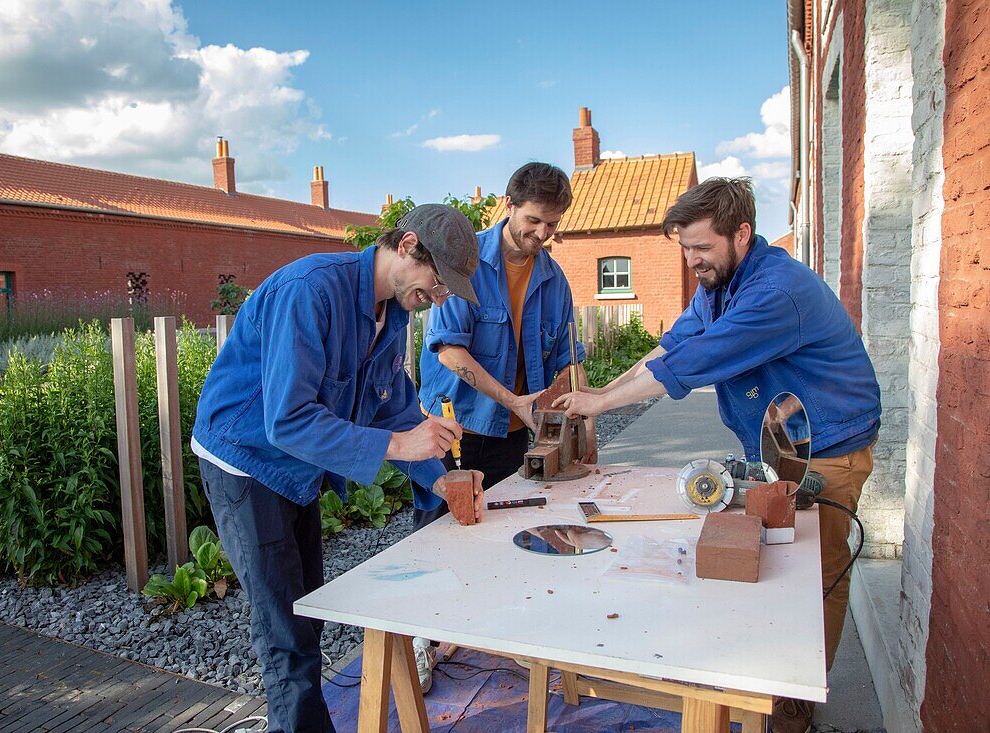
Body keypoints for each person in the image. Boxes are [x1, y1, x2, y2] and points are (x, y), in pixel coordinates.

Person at [554, 177, 880, 733]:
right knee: (776, 565)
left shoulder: (776, 293)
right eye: (684, 249)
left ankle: (796, 704)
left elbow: (694, 362)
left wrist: (603, 402)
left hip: (826, 452)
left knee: (814, 578)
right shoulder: (718, 285)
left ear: (743, 234)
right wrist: (600, 395)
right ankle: (772, 678)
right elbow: (670, 347)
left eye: (701, 247)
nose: (692, 260)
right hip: (782, 447)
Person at [192, 204, 486, 733]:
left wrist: (440, 477)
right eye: (438, 282)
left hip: (296, 464)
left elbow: (394, 405)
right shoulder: (309, 290)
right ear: (407, 246)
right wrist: (398, 444)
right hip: (246, 460)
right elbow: (288, 421)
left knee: (307, 610)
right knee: (285, 632)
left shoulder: (391, 316)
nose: (437, 299)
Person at [412, 162, 596, 690]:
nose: (542, 234)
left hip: (520, 428)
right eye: (534, 220)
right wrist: (515, 401)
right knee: (441, 536)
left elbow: (566, 359)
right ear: (508, 204)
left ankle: (510, 633)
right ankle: (424, 642)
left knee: (515, 531)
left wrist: (579, 420)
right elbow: (449, 352)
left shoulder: (553, 278)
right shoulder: (467, 264)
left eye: (552, 226)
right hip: (456, 427)